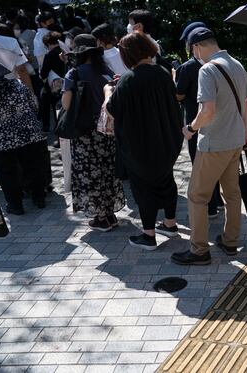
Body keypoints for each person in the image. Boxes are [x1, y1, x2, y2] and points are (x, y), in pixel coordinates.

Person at [171, 28, 247, 265]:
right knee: (232, 193)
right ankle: (231, 241)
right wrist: (245, 134)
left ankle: (198, 250)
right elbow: (245, 104)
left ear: (196, 47)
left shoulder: (207, 70)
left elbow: (207, 111)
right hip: (235, 140)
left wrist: (191, 129)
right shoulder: (237, 64)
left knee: (196, 196)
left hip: (214, 143)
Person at [106, 32, 183, 250]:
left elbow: (112, 110)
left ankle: (148, 235)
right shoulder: (162, 72)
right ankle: (170, 223)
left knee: (144, 188)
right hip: (167, 140)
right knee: (166, 180)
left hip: (140, 145)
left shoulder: (129, 79)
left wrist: (107, 92)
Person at [62, 35, 125, 231]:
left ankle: (101, 218)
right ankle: (110, 214)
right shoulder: (107, 71)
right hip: (107, 130)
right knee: (107, 170)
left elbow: (66, 104)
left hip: (84, 131)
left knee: (90, 172)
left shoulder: (73, 74)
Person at [0, 76, 48, 214]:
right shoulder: (19, 86)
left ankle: (15, 205)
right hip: (28, 133)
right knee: (33, 166)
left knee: (7, 173)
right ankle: (39, 198)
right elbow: (34, 105)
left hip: (2, 141)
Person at [174, 22, 223, 218]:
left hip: (197, 122)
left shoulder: (188, 68)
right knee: (217, 164)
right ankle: (218, 200)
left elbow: (178, 95)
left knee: (201, 167)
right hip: (221, 122)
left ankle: (210, 207)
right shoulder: (224, 63)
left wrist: (173, 78)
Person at [39, 32, 66, 132]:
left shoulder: (49, 55)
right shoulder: (64, 52)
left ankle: (46, 126)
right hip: (64, 83)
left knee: (46, 102)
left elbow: (44, 73)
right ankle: (59, 129)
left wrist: (41, 74)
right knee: (59, 108)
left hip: (52, 85)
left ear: (48, 44)